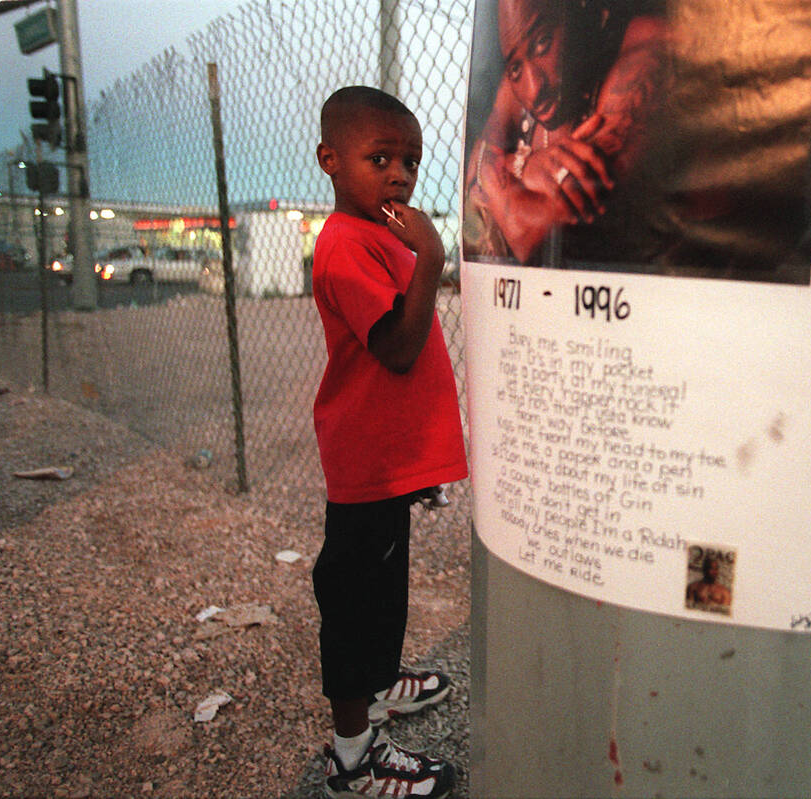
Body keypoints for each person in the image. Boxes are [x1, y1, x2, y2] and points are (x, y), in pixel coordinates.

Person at [310, 85, 468, 799]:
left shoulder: (380, 237)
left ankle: (383, 678)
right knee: (355, 604)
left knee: (384, 592)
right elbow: (399, 350)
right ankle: (355, 757)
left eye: (409, 160)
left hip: (389, 462)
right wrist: (431, 256)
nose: (399, 173)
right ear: (331, 160)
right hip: (365, 464)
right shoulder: (346, 244)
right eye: (380, 158)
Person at [463, 0, 670, 265]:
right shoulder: (517, 73)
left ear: (578, 11)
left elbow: (531, 232)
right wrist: (522, 166)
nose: (534, 88)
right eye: (515, 69)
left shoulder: (641, 46)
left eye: (543, 42)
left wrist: (497, 181)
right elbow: (475, 166)